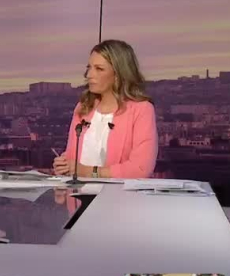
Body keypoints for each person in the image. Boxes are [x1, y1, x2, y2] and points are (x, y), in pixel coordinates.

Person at [53, 40, 157, 179]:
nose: (89, 75)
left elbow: (141, 169)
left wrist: (89, 172)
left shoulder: (142, 110)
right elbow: (73, 155)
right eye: (89, 67)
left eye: (99, 69)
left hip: (118, 193)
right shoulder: (83, 108)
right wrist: (64, 165)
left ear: (118, 74)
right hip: (77, 192)